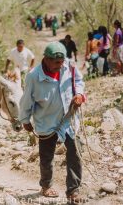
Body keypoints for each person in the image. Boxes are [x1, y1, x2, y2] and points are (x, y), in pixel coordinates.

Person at [19, 41, 86, 204]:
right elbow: (26, 101)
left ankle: (73, 190)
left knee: (75, 152)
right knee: (47, 156)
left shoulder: (69, 66)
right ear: (46, 59)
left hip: (69, 119)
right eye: (56, 62)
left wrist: (79, 95)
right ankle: (46, 185)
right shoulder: (33, 76)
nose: (60, 65)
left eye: (62, 61)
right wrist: (25, 120)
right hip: (46, 121)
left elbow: (79, 81)